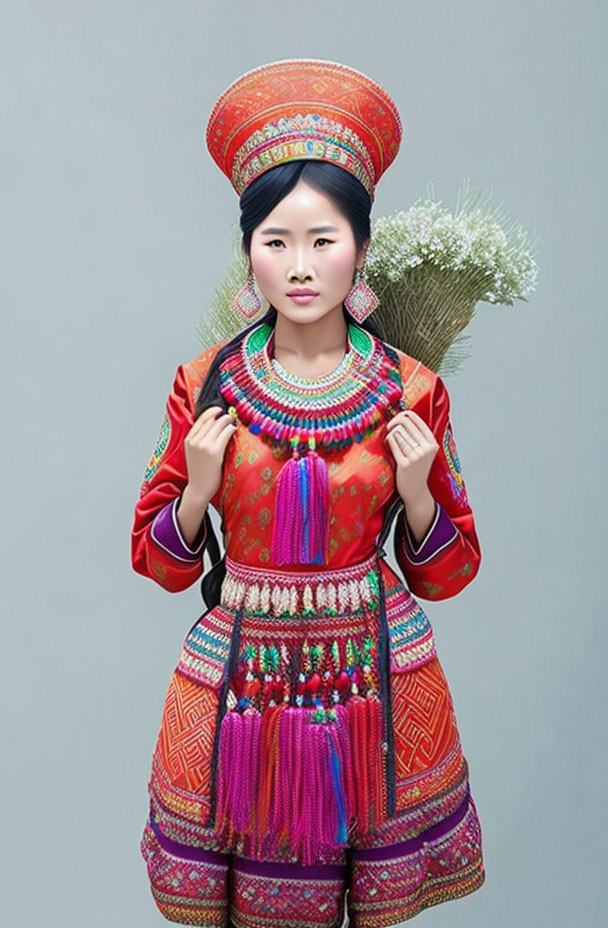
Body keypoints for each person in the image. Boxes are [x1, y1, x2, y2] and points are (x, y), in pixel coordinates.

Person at [131, 58, 485, 928]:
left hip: (373, 674)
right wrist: (198, 489)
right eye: (275, 241)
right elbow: (157, 561)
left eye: (323, 241)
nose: (299, 266)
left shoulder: (411, 388)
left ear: (361, 248)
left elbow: (448, 572)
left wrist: (416, 493)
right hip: (243, 678)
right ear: (247, 251)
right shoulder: (205, 380)